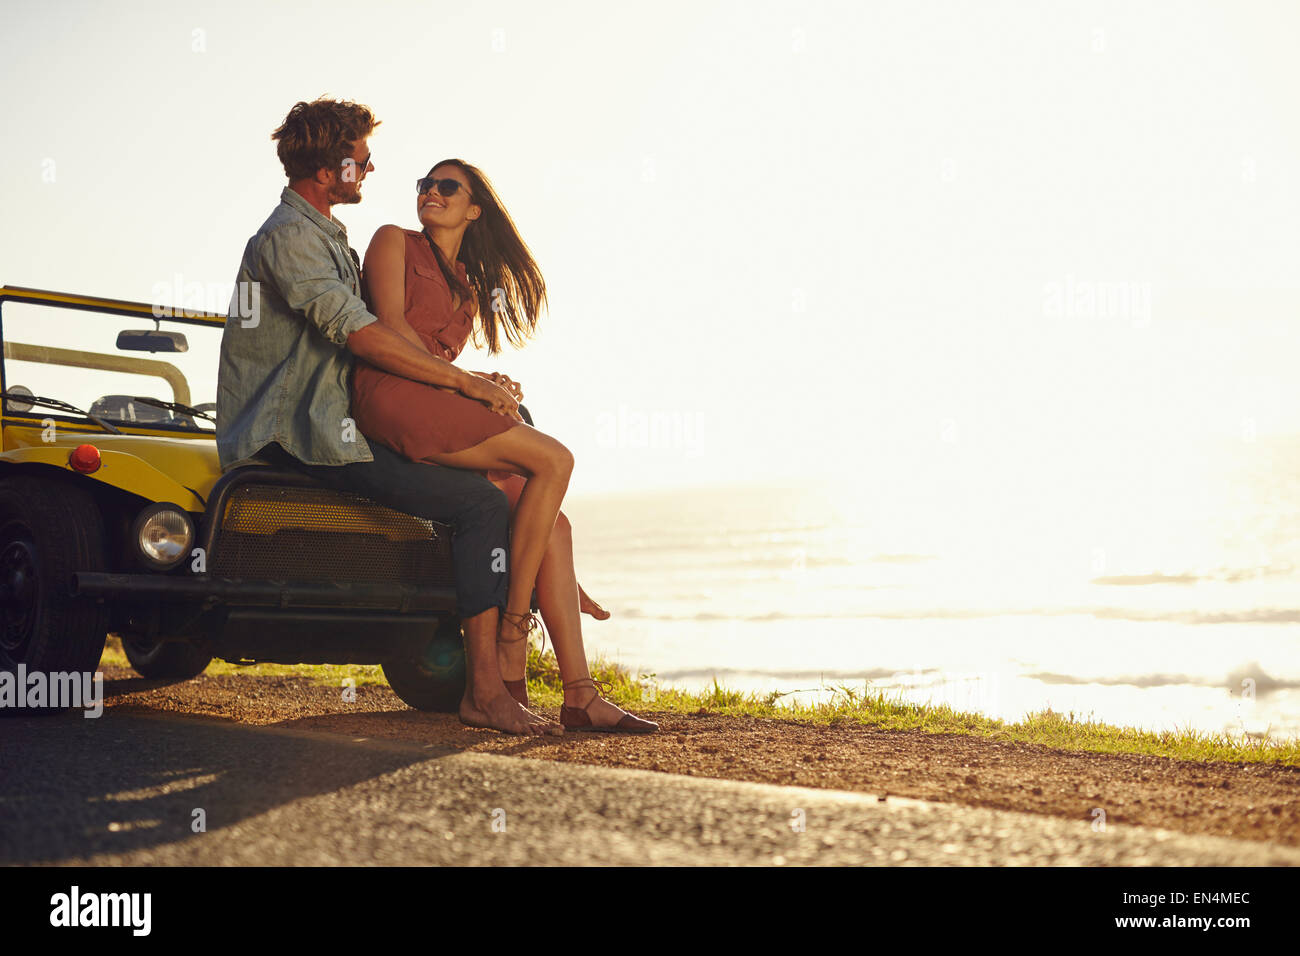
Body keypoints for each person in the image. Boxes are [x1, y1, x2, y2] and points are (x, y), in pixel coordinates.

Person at [215, 98, 558, 736]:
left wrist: (475, 380)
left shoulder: (328, 237)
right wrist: (461, 382)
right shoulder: (288, 238)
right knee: (478, 505)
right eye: (362, 160)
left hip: (336, 426)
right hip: (295, 436)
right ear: (329, 168)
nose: (370, 170)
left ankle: (510, 672)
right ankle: (485, 688)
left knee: (490, 492)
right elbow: (364, 336)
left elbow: (399, 342)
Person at [350, 159, 657, 733]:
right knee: (555, 458)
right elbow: (390, 328)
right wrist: (472, 387)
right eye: (425, 185)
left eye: (447, 187)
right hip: (388, 396)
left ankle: (579, 696)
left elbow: (439, 360)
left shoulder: (467, 288)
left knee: (554, 528)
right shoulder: (393, 242)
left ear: (473, 209)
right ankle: (514, 630)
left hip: (435, 397)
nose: (430, 193)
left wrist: (490, 384)